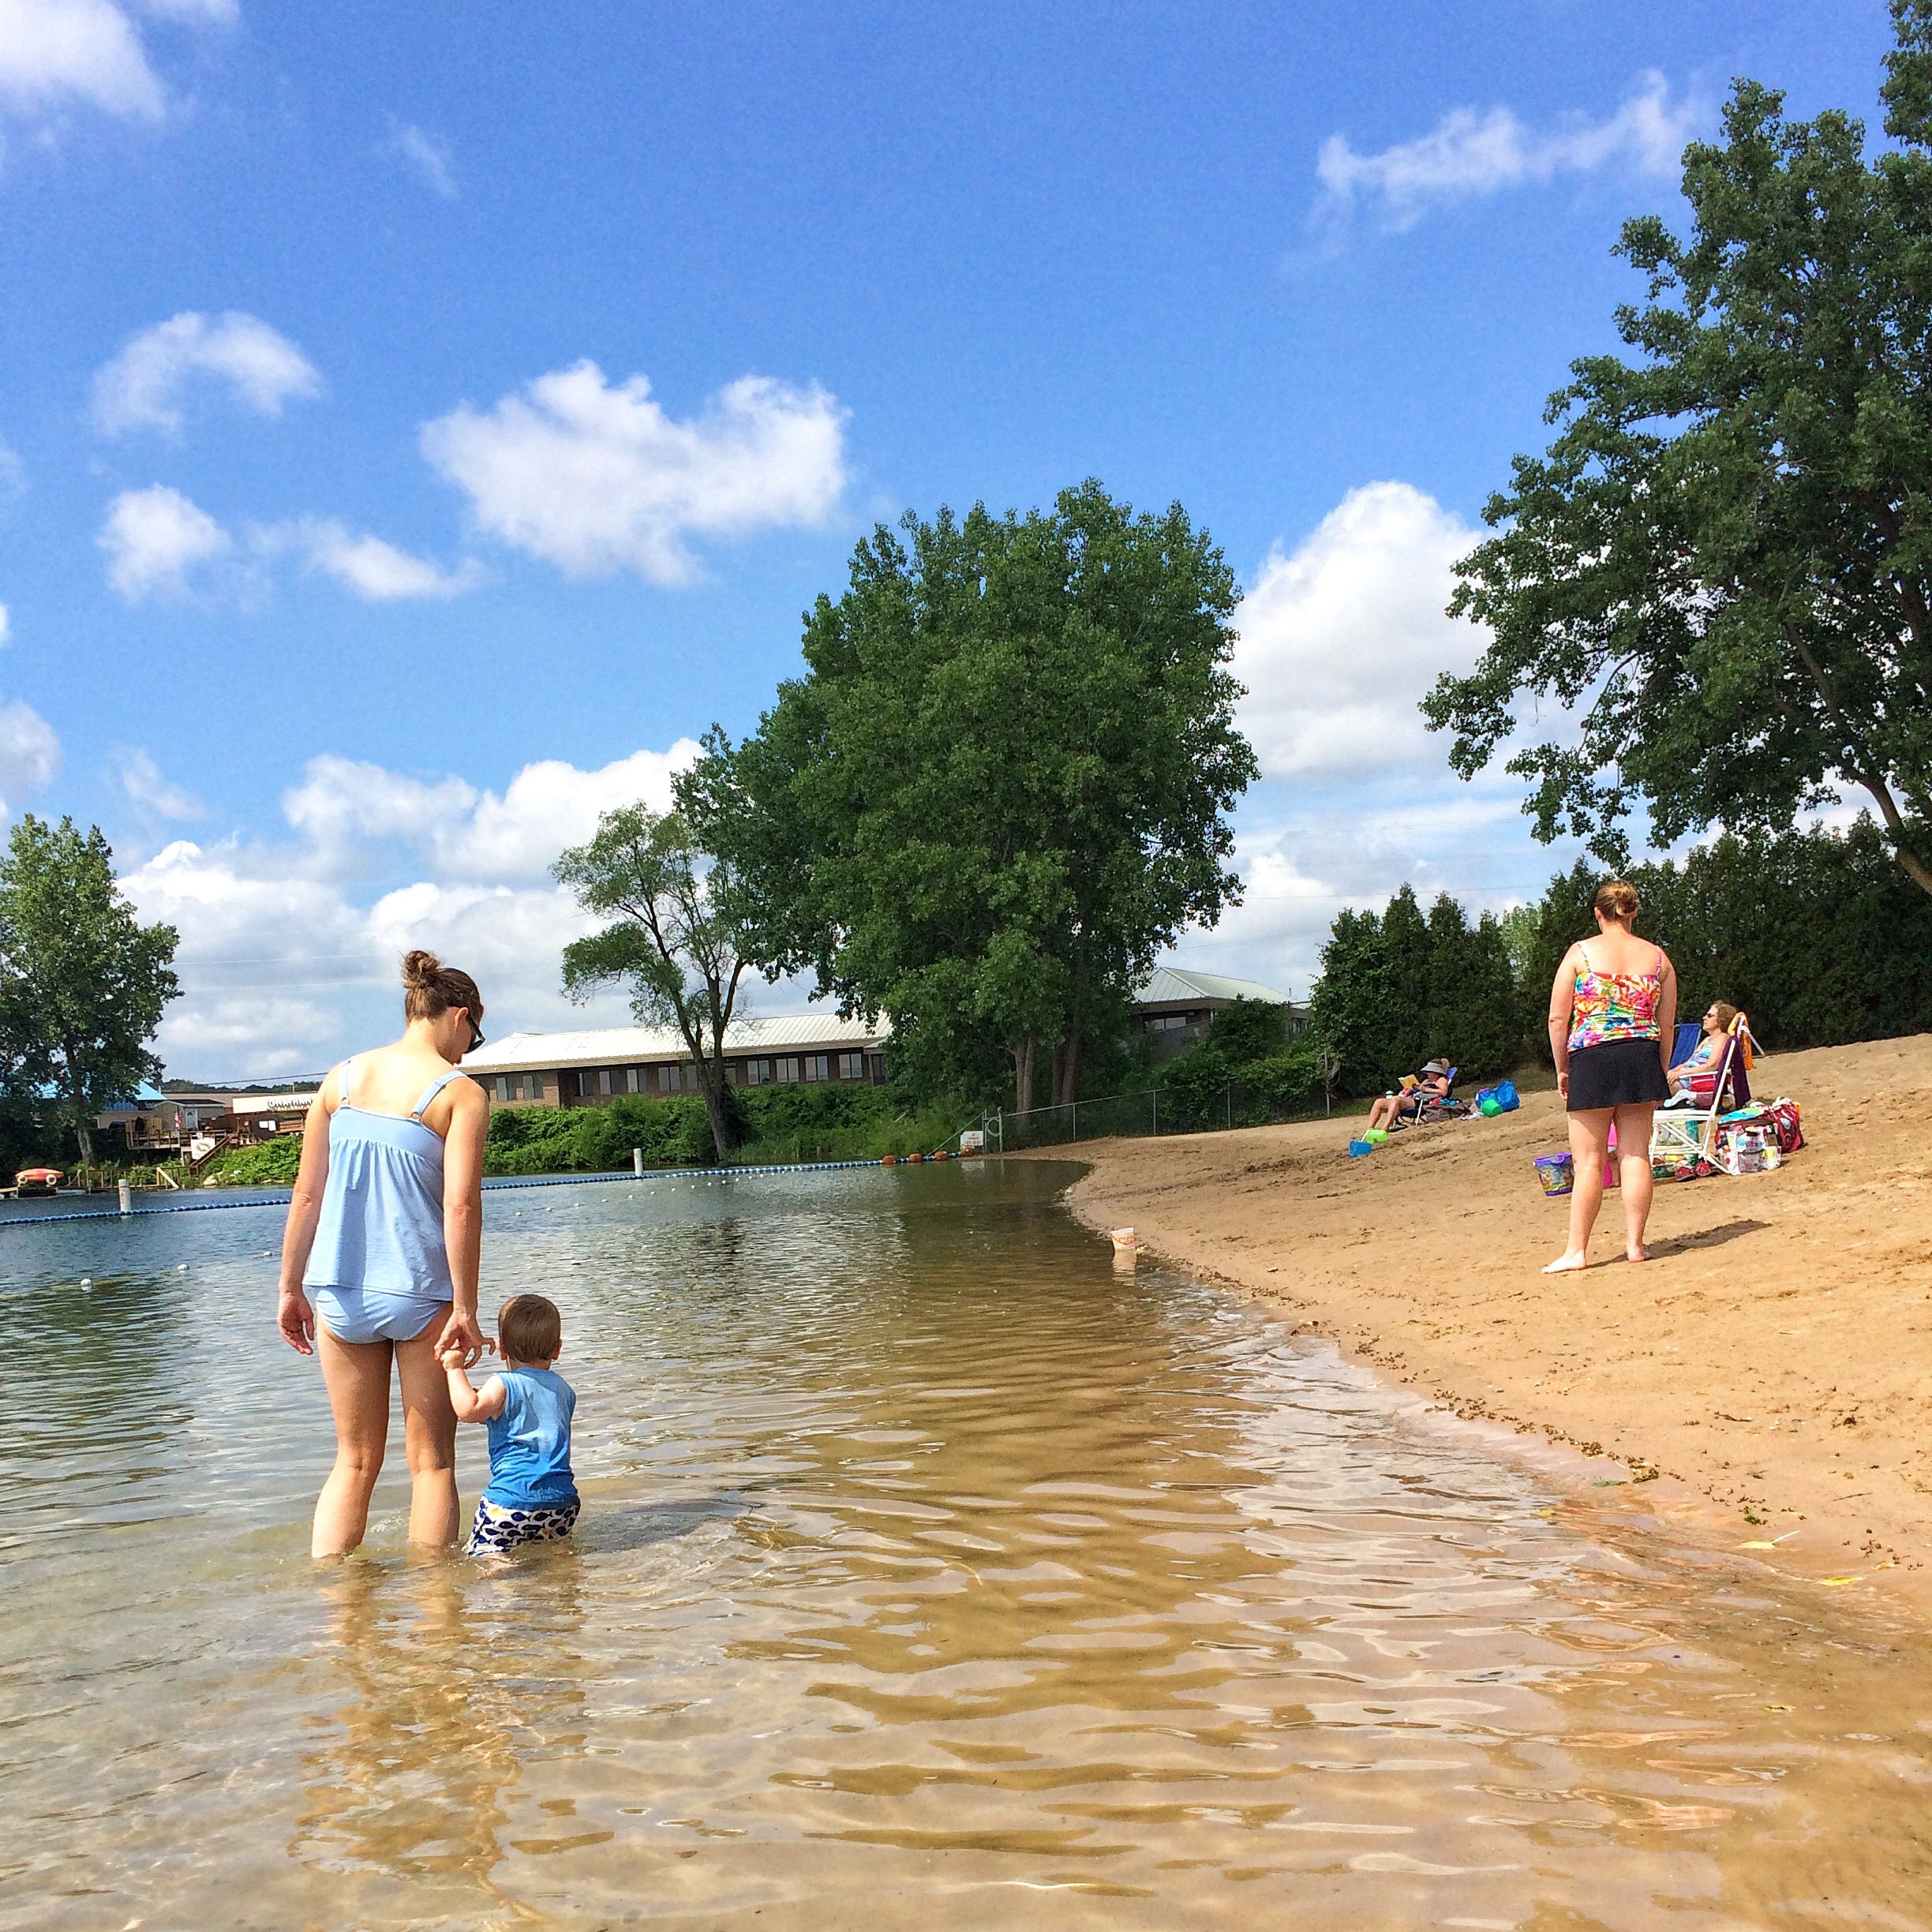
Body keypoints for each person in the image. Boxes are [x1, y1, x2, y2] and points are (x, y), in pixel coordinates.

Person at [276, 951, 490, 1557]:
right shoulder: (460, 1092)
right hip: (420, 1292)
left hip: (338, 1290)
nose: (469, 1048)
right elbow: (460, 1209)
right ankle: (435, 1628)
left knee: (354, 1461)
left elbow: (306, 1194)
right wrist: (466, 1309)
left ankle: (340, 1620)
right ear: (459, 1017)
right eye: (474, 1036)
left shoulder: (339, 1079)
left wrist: (290, 1288)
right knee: (432, 1465)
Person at [1544, 880, 1676, 1273]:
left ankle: (1577, 1252)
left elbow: (1557, 1018)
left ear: (1598, 913)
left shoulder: (1580, 953)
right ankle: (1635, 1245)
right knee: (1636, 1155)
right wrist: (1661, 1068)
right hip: (1641, 1056)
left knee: (1589, 1162)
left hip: (1592, 1058)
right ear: (1633, 913)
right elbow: (1666, 1027)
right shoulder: (1658, 959)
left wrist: (1562, 1068)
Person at [443, 1294, 578, 1556]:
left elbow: (468, 1410)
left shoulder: (503, 1383)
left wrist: (454, 1370)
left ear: (502, 1349)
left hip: (511, 1501)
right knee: (555, 1559)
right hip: (562, 1502)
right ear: (557, 1349)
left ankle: (503, 1593)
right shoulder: (565, 1390)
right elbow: (531, 1417)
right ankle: (562, 1591)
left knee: (486, 1560)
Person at [1667, 1001, 1741, 1103]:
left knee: (1651, 1086)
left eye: (1709, 1015)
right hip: (1685, 1078)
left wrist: (1680, 1074)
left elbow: (1712, 1065)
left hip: (1695, 1083)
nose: (1704, 1018)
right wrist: (1673, 1072)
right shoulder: (1707, 1040)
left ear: (1721, 1020)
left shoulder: (1722, 1038)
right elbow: (1688, 1063)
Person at [1364, 1061, 1451, 1133]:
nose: (1427, 1073)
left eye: (1429, 1071)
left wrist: (1425, 1089)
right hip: (1413, 1098)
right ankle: (1370, 1129)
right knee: (1379, 1102)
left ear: (1436, 1072)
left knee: (1395, 1099)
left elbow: (1443, 1092)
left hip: (1421, 1102)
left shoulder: (1441, 1080)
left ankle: (1385, 1129)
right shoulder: (1427, 1080)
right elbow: (1420, 1089)